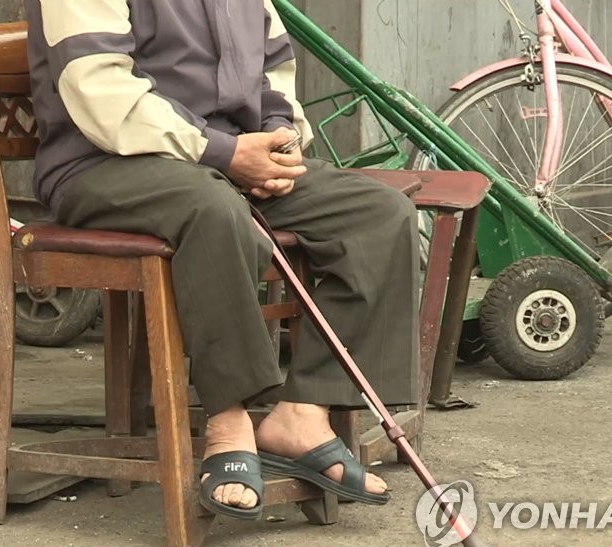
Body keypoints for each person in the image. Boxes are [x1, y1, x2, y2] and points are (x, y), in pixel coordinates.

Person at [26, 0, 420, 520]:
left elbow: (272, 73)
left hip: (228, 160)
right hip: (105, 164)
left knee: (379, 215)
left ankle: (302, 415)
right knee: (215, 210)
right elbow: (100, 92)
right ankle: (228, 420)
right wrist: (222, 153)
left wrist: (279, 141)